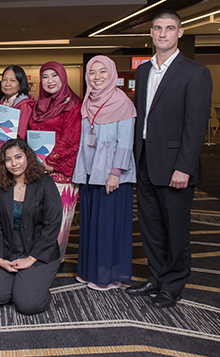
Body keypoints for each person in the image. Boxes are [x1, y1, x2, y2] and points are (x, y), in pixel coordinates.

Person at [126, 11, 212, 308]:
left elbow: (195, 125)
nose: (163, 33)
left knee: (176, 229)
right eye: (158, 28)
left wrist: (184, 167)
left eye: (169, 28)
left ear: (180, 33)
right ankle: (156, 277)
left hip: (176, 165)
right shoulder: (143, 71)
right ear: (151, 33)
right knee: (150, 226)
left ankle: (173, 285)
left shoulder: (195, 72)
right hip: (146, 160)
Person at [73, 55, 137, 291]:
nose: (97, 77)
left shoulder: (123, 103)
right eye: (92, 72)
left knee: (108, 227)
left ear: (112, 75)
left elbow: (125, 142)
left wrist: (115, 172)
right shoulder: (88, 102)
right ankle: (89, 270)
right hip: (91, 172)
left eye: (103, 72)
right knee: (91, 224)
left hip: (112, 176)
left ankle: (107, 275)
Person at [0, 139, 62, 314]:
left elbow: (52, 225)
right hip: (6, 249)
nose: (14, 163)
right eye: (8, 160)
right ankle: (19, 282)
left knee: (28, 304)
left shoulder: (45, 183)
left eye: (18, 157)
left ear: (28, 157)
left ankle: (29, 284)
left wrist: (31, 259)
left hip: (37, 251)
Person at [29, 61, 81, 261]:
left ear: (63, 77)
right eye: (45, 76)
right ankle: (35, 259)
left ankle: (52, 262)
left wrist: (49, 162)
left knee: (58, 222)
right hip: (37, 171)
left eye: (54, 75)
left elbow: (71, 139)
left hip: (59, 173)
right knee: (36, 219)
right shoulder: (38, 105)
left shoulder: (73, 104)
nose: (49, 81)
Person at [0, 65, 35, 140]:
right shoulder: (2, 103)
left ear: (20, 83)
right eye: (4, 80)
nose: (7, 84)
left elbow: (20, 136)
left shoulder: (24, 106)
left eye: (13, 80)